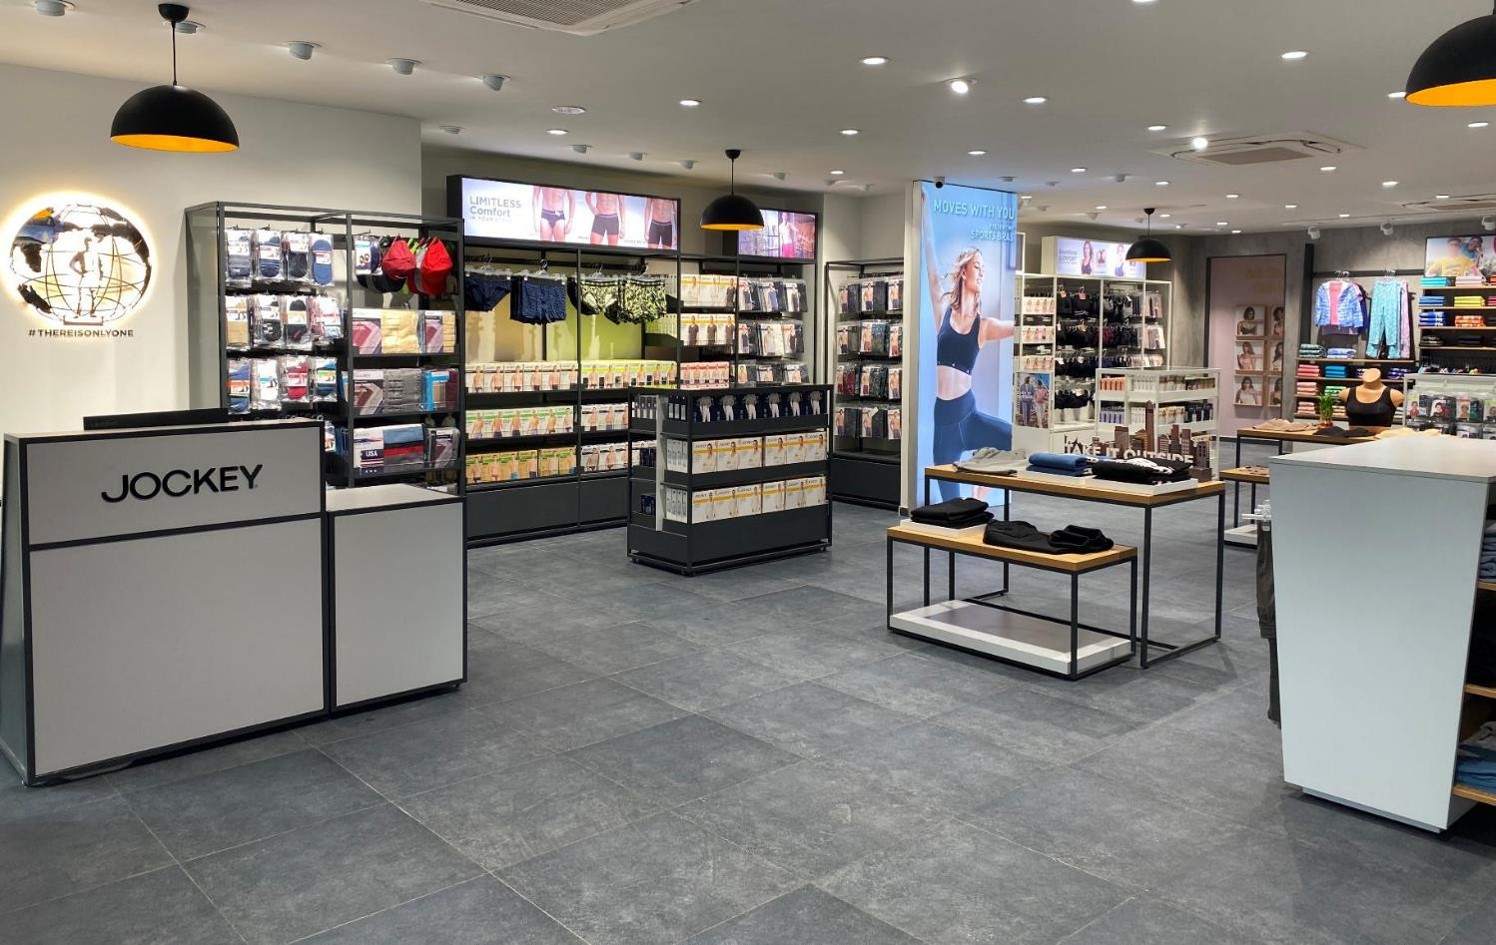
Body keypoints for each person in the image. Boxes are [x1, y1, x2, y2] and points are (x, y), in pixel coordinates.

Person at [920, 191, 1015, 499]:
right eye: (977, 266)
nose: (982, 272)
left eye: (984, 268)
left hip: (968, 414)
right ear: (963, 271)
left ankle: (979, 495)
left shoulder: (984, 326)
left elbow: (1017, 327)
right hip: (944, 422)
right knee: (950, 507)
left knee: (1014, 440)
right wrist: (924, 210)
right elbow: (930, 252)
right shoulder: (943, 311)